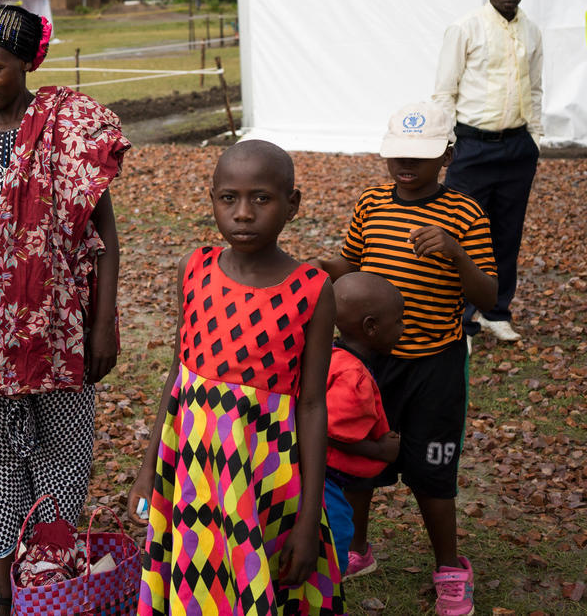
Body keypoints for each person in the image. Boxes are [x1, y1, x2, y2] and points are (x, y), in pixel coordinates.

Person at [0, 4, 128, 615]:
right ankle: (0, 588)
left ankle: (53, 579)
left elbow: (106, 237)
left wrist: (102, 325)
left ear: (26, 62)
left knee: (63, 450)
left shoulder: (66, 132)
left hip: (57, 324)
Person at [128, 140, 342, 615]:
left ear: (293, 205)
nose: (243, 213)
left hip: (264, 475)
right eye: (229, 198)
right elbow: (179, 375)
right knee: (196, 577)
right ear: (213, 200)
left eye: (261, 199)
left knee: (260, 580)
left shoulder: (311, 289)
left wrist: (308, 520)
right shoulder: (195, 269)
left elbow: (311, 405)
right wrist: (149, 471)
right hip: (191, 473)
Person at [315, 101, 497, 616]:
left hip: (433, 364)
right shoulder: (372, 202)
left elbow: (488, 297)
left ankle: (450, 568)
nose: (406, 166)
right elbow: (350, 265)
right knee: (357, 458)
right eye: (397, 154)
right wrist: (314, 267)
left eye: (420, 155)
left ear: (448, 153)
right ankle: (356, 549)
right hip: (368, 363)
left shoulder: (465, 213)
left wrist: (457, 253)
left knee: (432, 472)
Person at [433, 0, 542, 343]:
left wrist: (535, 139)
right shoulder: (465, 29)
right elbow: (445, 91)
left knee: (507, 234)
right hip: (473, 146)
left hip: (517, 147)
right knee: (458, 232)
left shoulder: (531, 31)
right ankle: (456, 319)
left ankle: (497, 311)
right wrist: (447, 145)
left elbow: (535, 88)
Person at [324, 271, 404, 577]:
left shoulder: (331, 354)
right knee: (337, 538)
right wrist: (379, 450)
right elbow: (330, 430)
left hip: (314, 472)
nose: (403, 328)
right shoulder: (353, 376)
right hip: (327, 480)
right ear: (371, 326)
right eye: (398, 321)